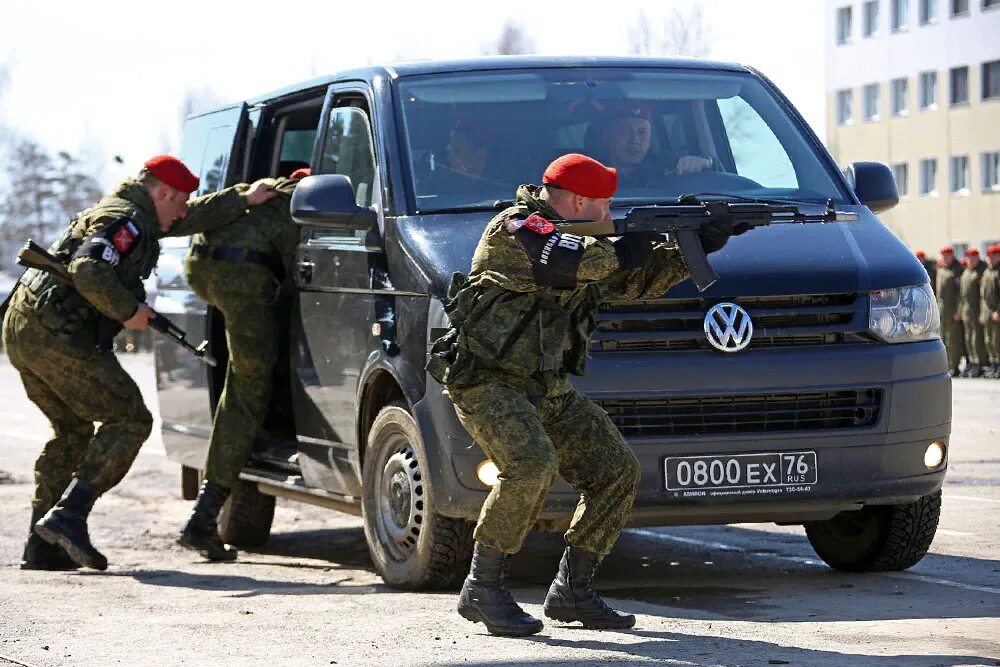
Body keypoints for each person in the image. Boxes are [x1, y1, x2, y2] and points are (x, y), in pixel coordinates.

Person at [427, 153, 742, 636]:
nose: (610, 214)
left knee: (616, 471)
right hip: (487, 381)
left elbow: (634, 283)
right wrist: (636, 239)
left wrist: (697, 244)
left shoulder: (585, 237)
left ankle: (573, 590)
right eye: (605, 205)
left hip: (545, 386)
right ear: (577, 201)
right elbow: (576, 258)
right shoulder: (517, 228)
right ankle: (482, 587)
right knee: (530, 466)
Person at [4, 155, 276, 571]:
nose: (183, 211)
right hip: (55, 334)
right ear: (163, 193)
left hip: (25, 331)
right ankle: (68, 516)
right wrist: (129, 310)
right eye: (180, 201)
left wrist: (244, 198)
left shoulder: (137, 214)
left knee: (72, 431)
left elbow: (191, 217)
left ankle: (41, 546)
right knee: (130, 420)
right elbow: (89, 268)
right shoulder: (126, 220)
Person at [177, 167, 310, 561]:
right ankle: (203, 519)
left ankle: (206, 514)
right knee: (246, 391)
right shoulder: (297, 204)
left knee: (247, 378)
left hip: (201, 271)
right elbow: (302, 274)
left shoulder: (255, 194)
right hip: (240, 280)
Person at [591, 102, 713, 189]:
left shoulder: (670, 167)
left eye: (642, 132)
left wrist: (706, 163)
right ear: (607, 137)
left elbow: (719, 181)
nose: (635, 140)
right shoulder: (591, 173)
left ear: (650, 139)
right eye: (624, 131)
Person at [936, 246, 965, 378]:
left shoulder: (958, 270)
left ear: (952, 255)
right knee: (944, 340)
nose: (945, 257)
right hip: (942, 311)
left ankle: (955, 365)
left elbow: (961, 294)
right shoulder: (941, 270)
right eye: (943, 255)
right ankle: (946, 365)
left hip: (952, 312)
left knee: (953, 340)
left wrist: (958, 311)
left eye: (948, 255)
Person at [960, 248, 990, 378]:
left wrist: (982, 312)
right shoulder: (966, 272)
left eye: (973, 257)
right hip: (967, 312)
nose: (971, 260)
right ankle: (972, 362)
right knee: (968, 339)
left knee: (977, 339)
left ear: (977, 258)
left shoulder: (981, 272)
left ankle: (980, 363)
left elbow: (983, 296)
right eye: (968, 257)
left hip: (977, 311)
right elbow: (961, 295)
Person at [981, 244, 1000, 378]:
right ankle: (993, 365)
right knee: (988, 340)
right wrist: (983, 313)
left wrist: (998, 311)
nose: (991, 259)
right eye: (989, 256)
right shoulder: (987, 272)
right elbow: (983, 296)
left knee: (996, 340)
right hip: (987, 312)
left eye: (994, 256)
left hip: (996, 313)